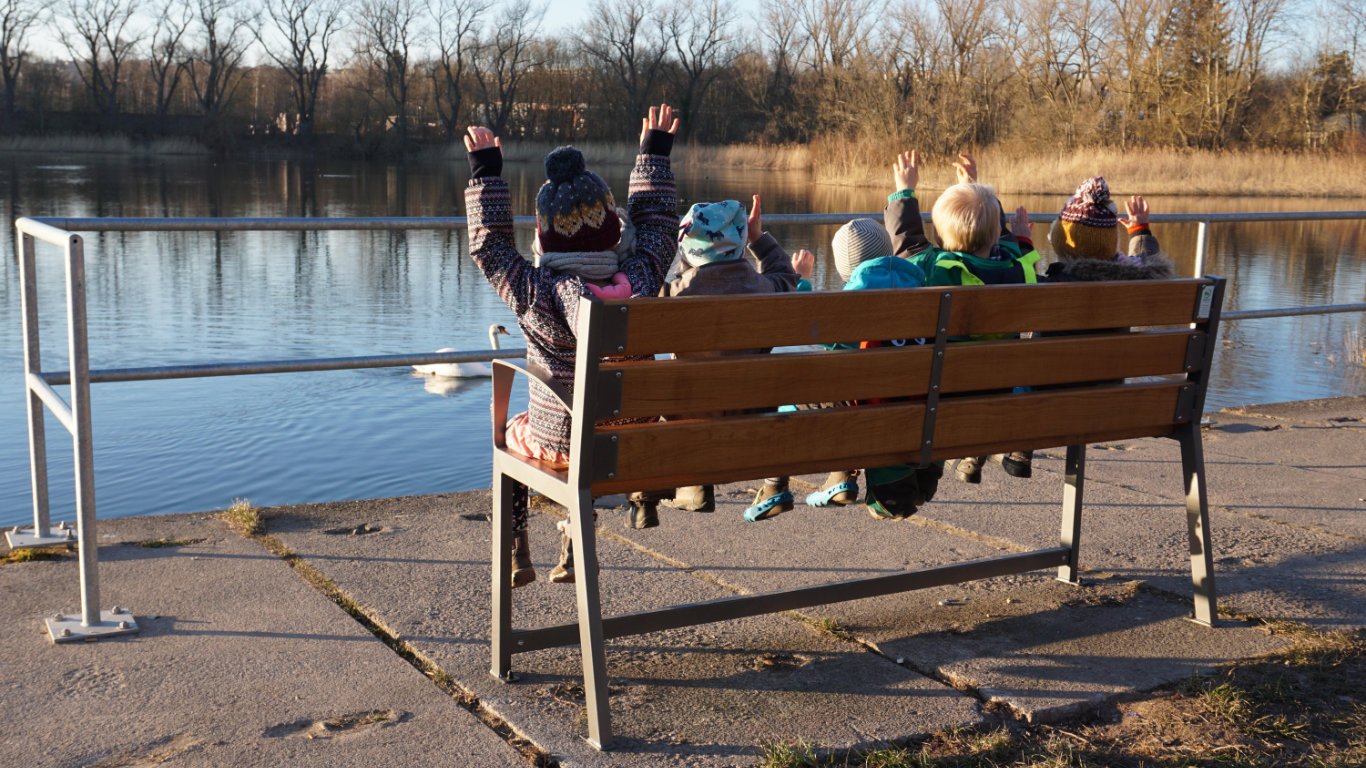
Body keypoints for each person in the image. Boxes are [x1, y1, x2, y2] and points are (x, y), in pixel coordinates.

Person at [463, 104, 679, 587]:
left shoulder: (533, 292)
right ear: (614, 229)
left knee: (510, 431)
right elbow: (660, 228)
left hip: (559, 440)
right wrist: (653, 154)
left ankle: (516, 544)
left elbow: (490, 248)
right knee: (595, 430)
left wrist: (486, 173)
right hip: (632, 439)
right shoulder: (643, 277)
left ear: (543, 235)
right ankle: (573, 537)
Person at [886, 151, 1040, 483]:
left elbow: (907, 244)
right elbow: (1009, 244)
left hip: (947, 395)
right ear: (997, 233)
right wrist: (976, 192)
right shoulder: (1020, 269)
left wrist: (904, 192)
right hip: (998, 391)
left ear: (940, 238)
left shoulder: (938, 270)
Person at [658, 195, 802, 520]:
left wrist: (680, 260)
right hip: (752, 417)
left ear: (687, 248)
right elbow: (786, 275)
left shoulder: (672, 296)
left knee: (672, 389)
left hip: (689, 422)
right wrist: (758, 239)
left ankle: (693, 485)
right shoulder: (768, 290)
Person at [1045, 177, 1172, 282]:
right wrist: (1140, 230)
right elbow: (1146, 260)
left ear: (1059, 242)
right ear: (1110, 244)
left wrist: (1029, 247)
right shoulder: (1140, 278)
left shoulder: (1049, 285)